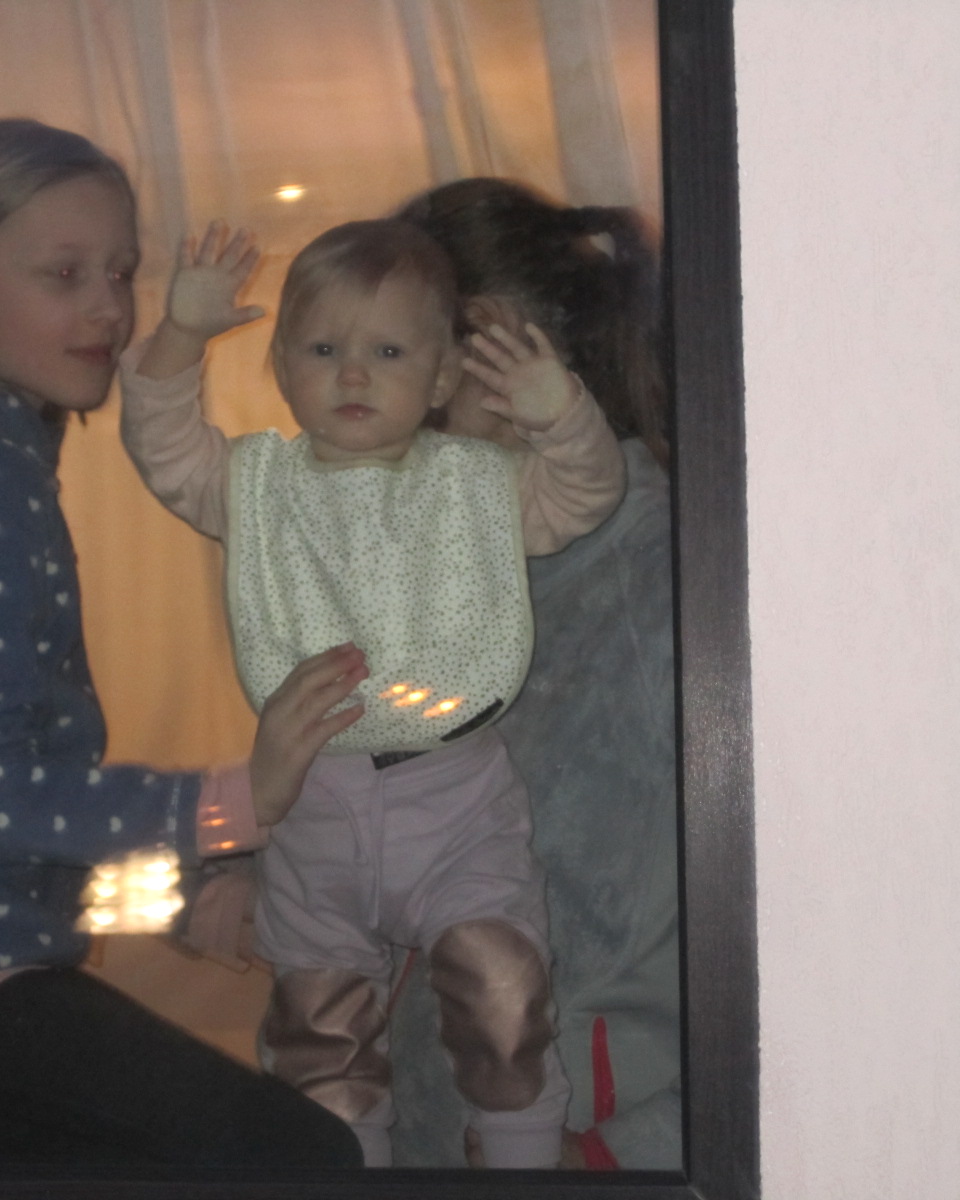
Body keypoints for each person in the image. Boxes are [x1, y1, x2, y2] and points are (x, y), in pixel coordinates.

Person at [0, 118, 372, 1168]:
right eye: (64, 273)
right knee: (305, 1160)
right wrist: (233, 800)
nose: (108, 306)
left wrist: (183, 892)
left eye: (120, 272)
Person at [117, 217, 626, 1167]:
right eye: (323, 350)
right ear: (281, 367)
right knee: (320, 1034)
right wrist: (180, 335)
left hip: (455, 800)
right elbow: (166, 447)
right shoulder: (255, 486)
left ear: (441, 378)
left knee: (502, 984)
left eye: (388, 352)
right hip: (314, 809)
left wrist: (560, 412)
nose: (353, 374)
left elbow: (584, 493)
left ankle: (523, 1161)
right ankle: (348, 1169)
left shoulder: (480, 487)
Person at [388, 177, 680, 1170]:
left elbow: (772, 955)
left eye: (400, 362)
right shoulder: (480, 571)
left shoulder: (662, 589)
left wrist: (607, 1154)